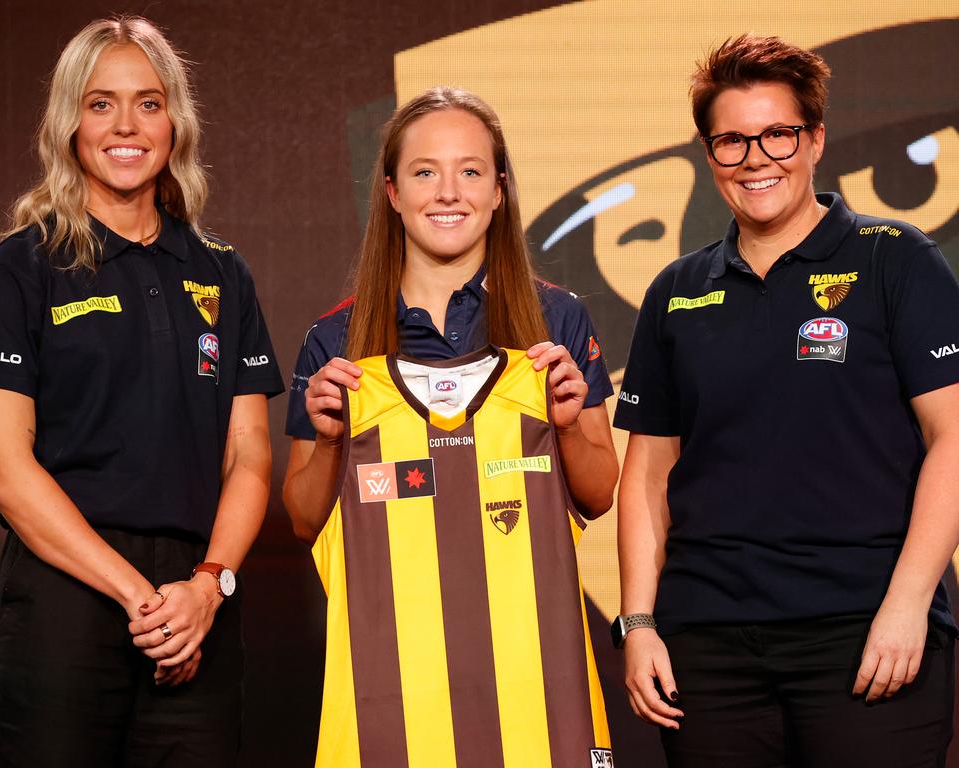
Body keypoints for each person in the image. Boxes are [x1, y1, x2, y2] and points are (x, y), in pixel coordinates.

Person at [613, 33, 959, 766]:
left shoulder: (893, 258)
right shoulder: (675, 290)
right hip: (708, 645)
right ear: (709, 157)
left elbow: (954, 438)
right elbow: (646, 473)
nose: (756, 158)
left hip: (866, 631)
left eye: (778, 133)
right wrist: (639, 621)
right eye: (731, 141)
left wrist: (907, 606)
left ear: (816, 140)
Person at [0, 16, 283, 767]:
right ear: (69, 122)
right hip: (64, 602)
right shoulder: (20, 269)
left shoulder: (222, 272)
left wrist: (205, 590)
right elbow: (4, 472)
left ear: (176, 121)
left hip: (197, 609)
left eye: (149, 101)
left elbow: (251, 457)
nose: (126, 125)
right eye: (100, 103)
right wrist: (144, 600)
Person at [283, 86, 619, 765]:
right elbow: (302, 517)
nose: (448, 192)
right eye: (425, 172)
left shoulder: (556, 321)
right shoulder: (336, 339)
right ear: (392, 192)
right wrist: (325, 443)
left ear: (499, 191)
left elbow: (598, 492)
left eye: (470, 171)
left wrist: (571, 428)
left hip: (537, 696)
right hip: (394, 702)